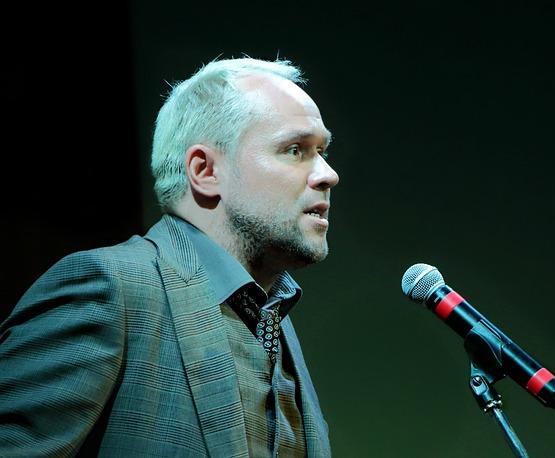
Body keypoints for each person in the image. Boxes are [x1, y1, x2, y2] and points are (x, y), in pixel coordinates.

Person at [0, 56, 339, 457]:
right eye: (295, 150)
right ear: (205, 170)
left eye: (322, 150)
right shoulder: (109, 288)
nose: (327, 174)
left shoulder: (270, 316)